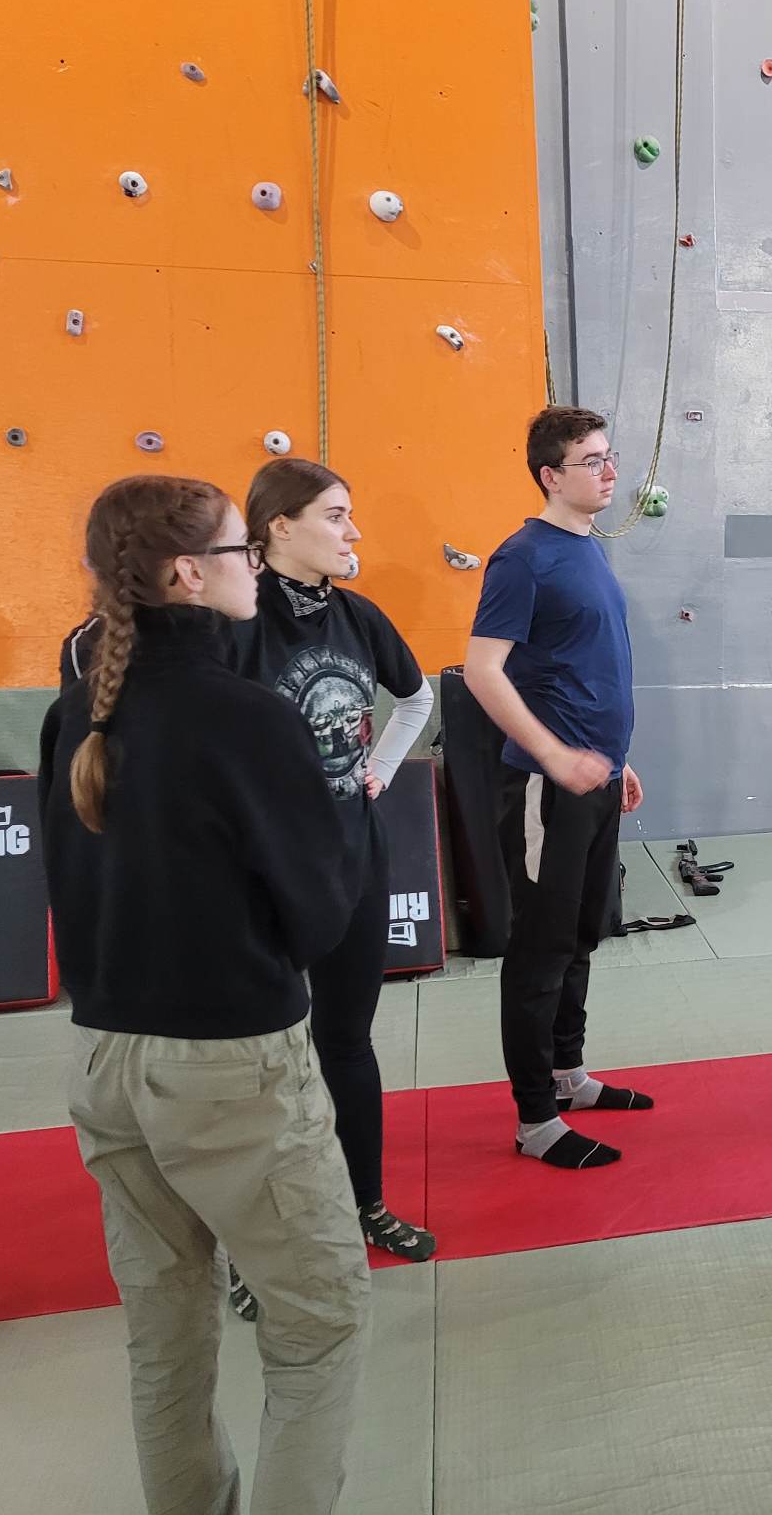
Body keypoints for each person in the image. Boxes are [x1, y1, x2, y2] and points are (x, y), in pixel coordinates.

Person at [40, 475, 368, 1513]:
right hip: (229, 1064)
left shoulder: (76, 712)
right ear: (189, 572)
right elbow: (318, 913)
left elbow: (67, 893)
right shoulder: (247, 718)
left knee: (166, 1334)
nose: (254, 570)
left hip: (106, 1058)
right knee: (319, 1324)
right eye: (241, 552)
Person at [228, 458, 438, 1258]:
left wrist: (376, 769)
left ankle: (364, 1203)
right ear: (280, 525)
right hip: (262, 872)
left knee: (347, 1039)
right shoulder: (234, 621)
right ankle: (254, 1239)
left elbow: (416, 695)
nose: (353, 531)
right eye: (336, 515)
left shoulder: (357, 615)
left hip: (352, 853)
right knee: (258, 1057)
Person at [464, 406, 650, 1172]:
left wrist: (614, 759)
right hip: (547, 784)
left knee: (580, 935)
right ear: (550, 475)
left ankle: (568, 1075)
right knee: (540, 950)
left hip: (596, 775)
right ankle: (535, 1118)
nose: (610, 472)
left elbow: (577, 667)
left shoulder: (586, 549)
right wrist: (553, 754)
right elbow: (483, 669)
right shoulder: (523, 558)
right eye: (591, 461)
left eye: (610, 456)